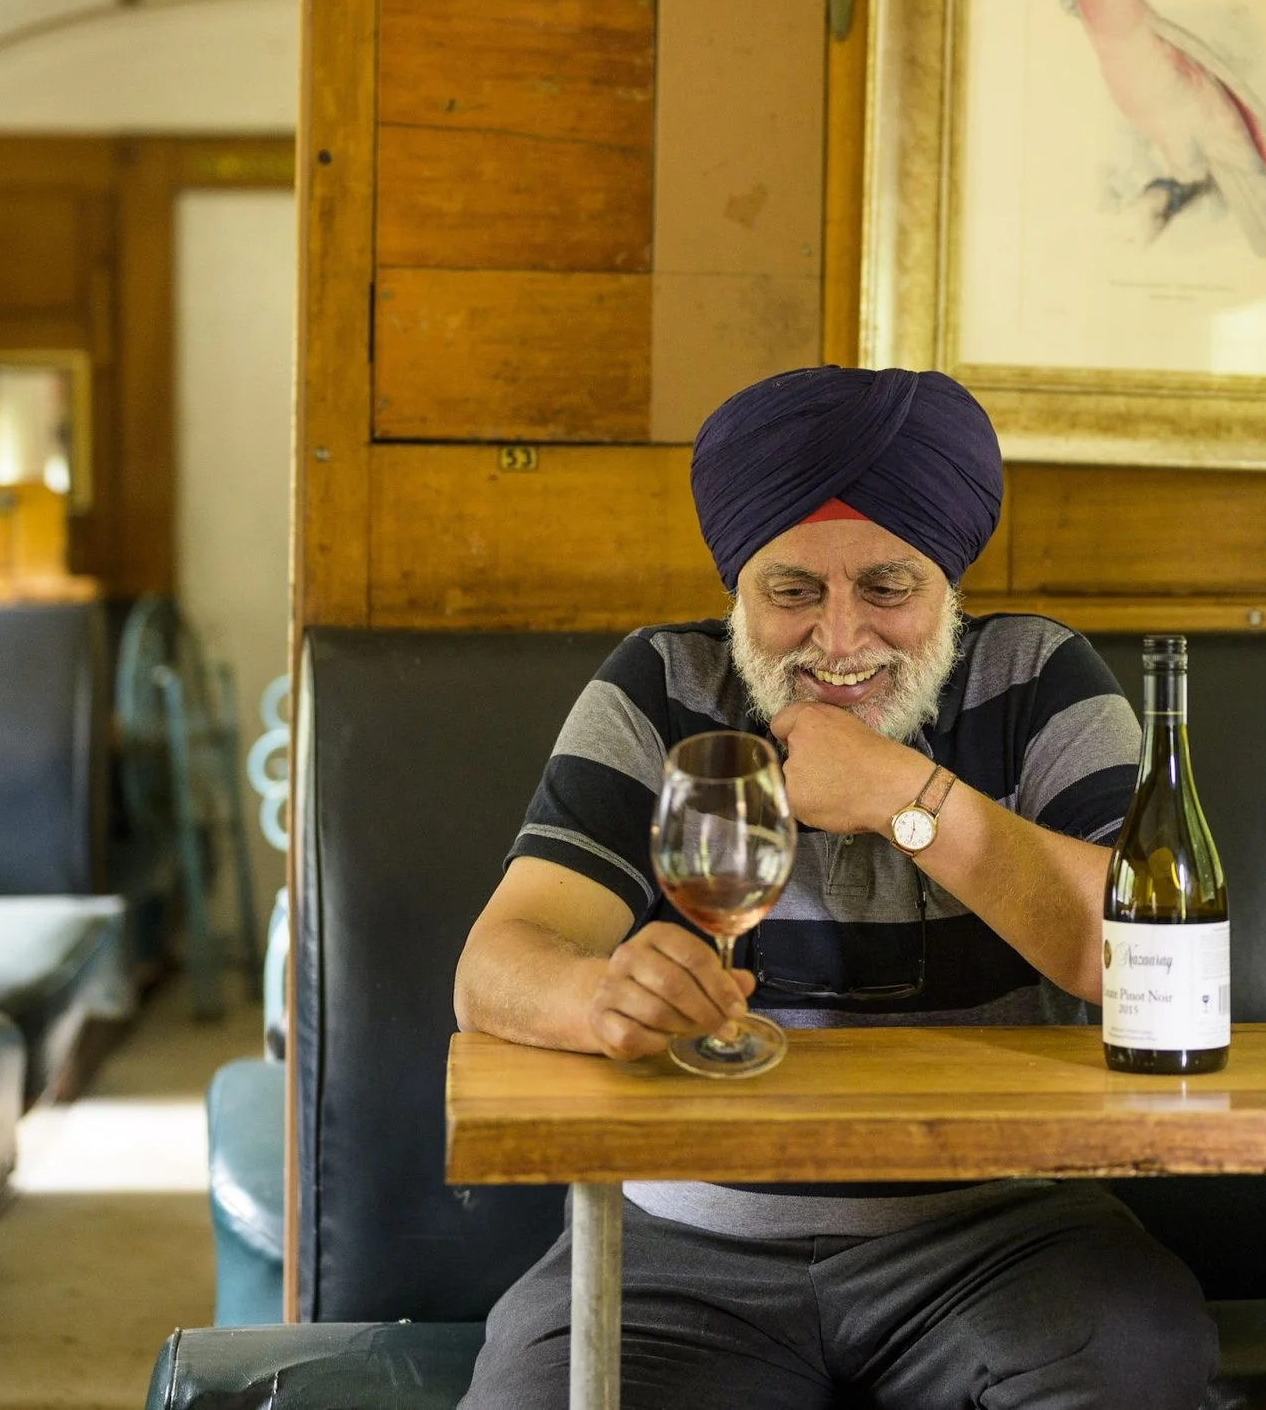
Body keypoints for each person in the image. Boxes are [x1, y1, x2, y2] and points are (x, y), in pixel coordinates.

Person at [452, 365, 1217, 1409]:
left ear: (946, 581)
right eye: (792, 591)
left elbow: (1135, 961)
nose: (842, 639)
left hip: (1007, 1235)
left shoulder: (1041, 678)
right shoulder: (659, 684)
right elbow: (497, 963)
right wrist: (598, 998)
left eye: (888, 588)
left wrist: (910, 797)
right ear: (739, 590)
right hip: (680, 1247)